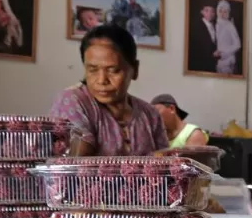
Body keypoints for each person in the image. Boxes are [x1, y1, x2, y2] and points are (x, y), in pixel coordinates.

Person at [50, 24, 168, 156]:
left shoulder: (150, 115)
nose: (102, 80)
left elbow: (165, 166)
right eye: (93, 70)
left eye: (113, 70)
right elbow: (76, 166)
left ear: (135, 69)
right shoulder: (72, 101)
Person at [188, 0, 218, 73]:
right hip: (201, 66)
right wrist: (212, 55)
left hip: (214, 66)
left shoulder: (217, 25)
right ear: (201, 12)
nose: (210, 13)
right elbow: (194, 49)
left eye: (212, 11)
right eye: (207, 10)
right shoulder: (195, 26)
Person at [214, 0, 242, 74]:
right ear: (217, 11)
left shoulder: (230, 25)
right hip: (217, 63)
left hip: (228, 62)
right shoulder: (215, 25)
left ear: (228, 13)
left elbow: (238, 44)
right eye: (220, 11)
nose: (222, 14)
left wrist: (224, 51)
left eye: (225, 11)